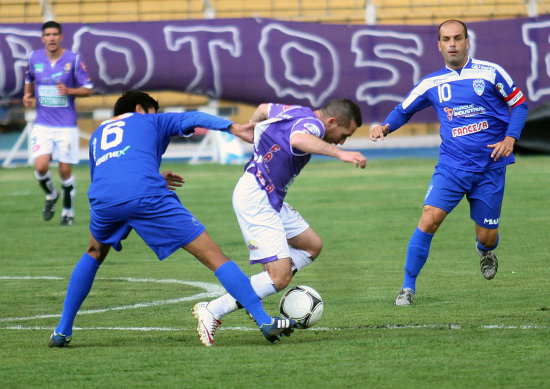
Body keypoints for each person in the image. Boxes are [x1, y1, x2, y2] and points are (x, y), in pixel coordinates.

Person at [48, 90, 297, 348]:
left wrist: (152, 178)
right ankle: (263, 320)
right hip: (146, 194)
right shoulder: (149, 120)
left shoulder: (98, 134)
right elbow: (194, 117)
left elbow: (107, 171)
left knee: (94, 252)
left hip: (104, 198)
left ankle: (62, 331)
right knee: (214, 256)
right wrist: (232, 127)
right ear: (140, 108)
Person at [370, 19, 529, 306]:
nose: (453, 43)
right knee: (429, 219)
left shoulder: (491, 72)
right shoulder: (432, 82)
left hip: (490, 168)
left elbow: (519, 104)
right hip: (451, 168)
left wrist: (510, 139)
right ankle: (407, 288)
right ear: (439, 45)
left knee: (489, 235)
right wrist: (385, 127)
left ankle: (485, 250)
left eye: (458, 38)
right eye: (446, 39)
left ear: (467, 42)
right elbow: (403, 110)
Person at [193, 98, 367, 345]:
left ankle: (256, 290)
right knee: (280, 277)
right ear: (331, 121)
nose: (342, 140)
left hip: (269, 194)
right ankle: (213, 309)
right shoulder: (314, 126)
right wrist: (340, 153)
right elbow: (298, 139)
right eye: (344, 134)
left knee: (311, 245)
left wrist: (252, 128)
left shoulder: (297, 111)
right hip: (257, 198)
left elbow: (263, 108)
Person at [23, 21, 93, 226]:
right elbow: (29, 78)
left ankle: (68, 212)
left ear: (61, 37)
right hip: (43, 124)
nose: (51, 38)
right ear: (43, 38)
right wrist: (27, 96)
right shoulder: (34, 58)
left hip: (66, 125)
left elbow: (88, 88)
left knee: (64, 170)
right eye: (48, 34)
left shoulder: (73, 59)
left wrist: (69, 91)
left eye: (55, 34)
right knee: (41, 166)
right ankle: (51, 194)